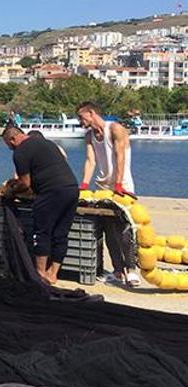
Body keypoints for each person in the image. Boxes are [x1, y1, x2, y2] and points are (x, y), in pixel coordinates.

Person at [2, 126, 79, 284]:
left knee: (42, 232)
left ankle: (40, 273)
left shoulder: (20, 152)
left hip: (51, 191)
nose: (10, 149)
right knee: (61, 233)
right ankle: (53, 273)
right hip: (71, 188)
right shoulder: (47, 143)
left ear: (12, 139)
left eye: (8, 145)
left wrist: (11, 192)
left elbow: (25, 183)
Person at [76, 101, 140, 286]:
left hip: (122, 184)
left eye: (82, 117)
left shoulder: (115, 129)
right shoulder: (89, 135)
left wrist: (119, 184)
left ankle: (132, 269)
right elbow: (90, 161)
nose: (81, 121)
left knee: (124, 230)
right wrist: (84, 184)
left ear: (91, 112)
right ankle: (118, 270)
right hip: (103, 186)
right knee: (108, 230)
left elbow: (120, 157)